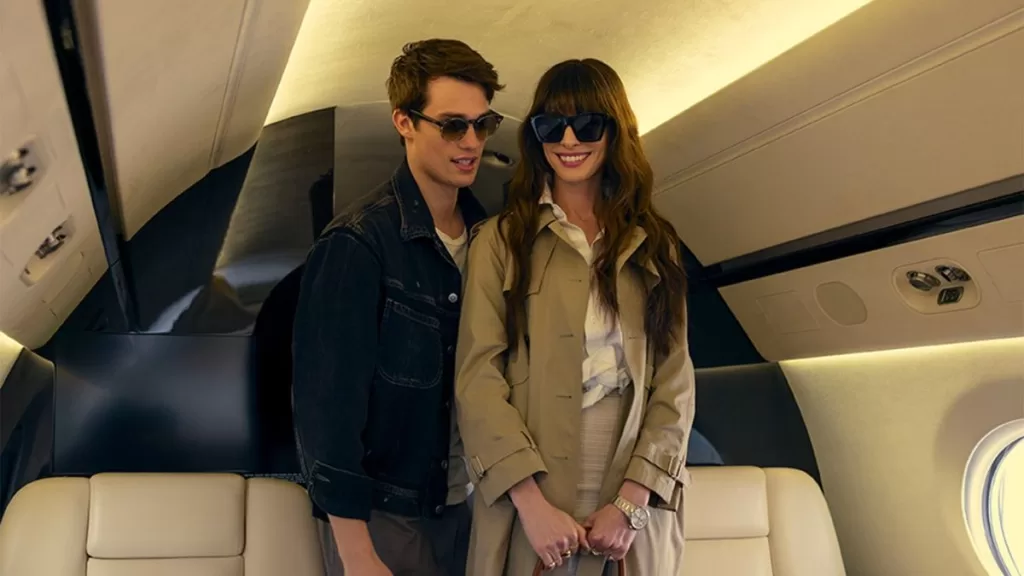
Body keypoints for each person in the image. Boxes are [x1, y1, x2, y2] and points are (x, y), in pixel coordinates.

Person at [454, 58, 695, 575]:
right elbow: (478, 379)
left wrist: (631, 503)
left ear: (614, 130)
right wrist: (531, 505)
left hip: (632, 496)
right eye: (551, 125)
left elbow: (675, 382)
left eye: (586, 124)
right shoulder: (499, 242)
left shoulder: (656, 245)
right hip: (530, 497)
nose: (568, 139)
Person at [291, 39, 505, 576]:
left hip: (468, 504)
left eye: (483, 124)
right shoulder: (358, 243)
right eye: (452, 126)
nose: (471, 142)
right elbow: (326, 410)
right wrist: (357, 553)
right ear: (404, 122)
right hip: (385, 516)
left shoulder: (492, 240)